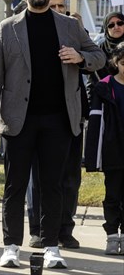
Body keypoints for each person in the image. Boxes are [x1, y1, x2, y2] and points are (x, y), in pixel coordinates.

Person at [0, 0, 105, 269]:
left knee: (54, 185)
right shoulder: (7, 27)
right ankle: (11, 246)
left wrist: (81, 58)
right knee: (14, 185)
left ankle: (52, 247)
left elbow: (99, 56)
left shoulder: (68, 26)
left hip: (59, 120)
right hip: (19, 120)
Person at [26, 0, 88, 249]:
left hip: (70, 116)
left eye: (62, 6)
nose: (58, 10)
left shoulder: (74, 31)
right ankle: (39, 229)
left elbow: (98, 60)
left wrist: (80, 55)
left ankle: (65, 228)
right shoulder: (32, 32)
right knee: (40, 177)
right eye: (54, 6)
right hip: (39, 117)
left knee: (69, 175)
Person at [85, 42, 124, 255]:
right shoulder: (105, 87)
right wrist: (94, 157)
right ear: (116, 63)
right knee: (112, 194)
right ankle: (111, 235)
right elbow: (96, 122)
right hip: (113, 149)